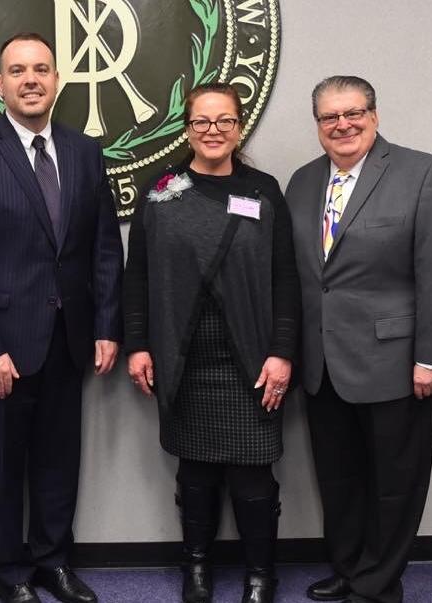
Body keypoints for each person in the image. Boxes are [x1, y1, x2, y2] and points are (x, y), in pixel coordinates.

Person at [0, 33, 123, 603]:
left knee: (59, 462)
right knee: (1, 466)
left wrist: (106, 326)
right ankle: (10, 571)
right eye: (17, 70)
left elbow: (103, 249)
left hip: (69, 340)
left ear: (58, 80)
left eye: (41, 68)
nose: (31, 79)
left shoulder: (85, 151)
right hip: (2, 344)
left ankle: (53, 561)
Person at [285, 76, 432, 603]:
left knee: (394, 484)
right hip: (322, 363)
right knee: (338, 481)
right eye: (329, 117)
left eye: (353, 112)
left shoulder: (422, 173)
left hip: (397, 362)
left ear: (375, 115)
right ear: (317, 126)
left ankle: (378, 583)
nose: (342, 124)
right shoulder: (301, 182)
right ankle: (348, 568)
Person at [123, 82, 301, 603]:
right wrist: (137, 344)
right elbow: (138, 279)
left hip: (252, 357)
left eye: (224, 121)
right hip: (183, 357)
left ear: (240, 128)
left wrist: (282, 351)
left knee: (253, 473)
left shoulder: (265, 191)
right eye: (202, 121)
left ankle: (260, 574)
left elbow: (286, 280)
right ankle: (195, 566)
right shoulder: (160, 192)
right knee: (194, 466)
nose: (213, 131)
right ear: (187, 129)